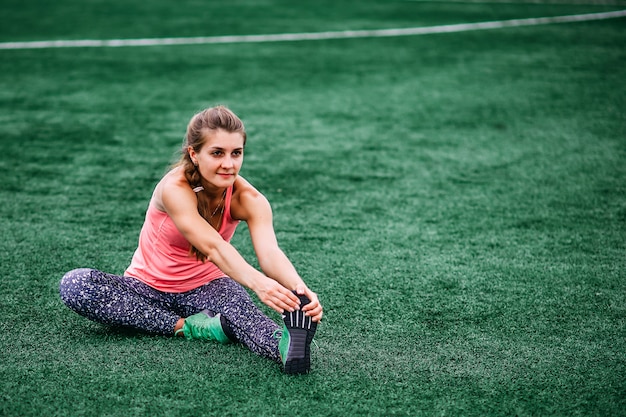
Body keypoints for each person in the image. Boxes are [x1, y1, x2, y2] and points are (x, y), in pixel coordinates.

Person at [59, 105, 323, 374]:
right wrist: (259, 284)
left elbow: (269, 253)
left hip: (208, 286)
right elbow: (212, 245)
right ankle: (188, 326)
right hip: (145, 288)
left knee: (245, 315)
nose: (228, 164)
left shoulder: (250, 199)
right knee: (77, 285)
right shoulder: (174, 188)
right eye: (217, 153)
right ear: (194, 154)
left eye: (236, 153)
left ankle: (285, 347)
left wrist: (299, 291)